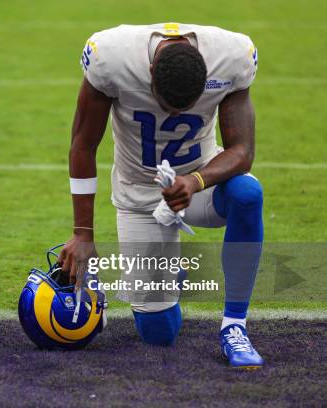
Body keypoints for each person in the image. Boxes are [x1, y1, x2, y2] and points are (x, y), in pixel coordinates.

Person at [59, 23, 264, 368]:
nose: (174, 115)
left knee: (247, 192)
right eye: (167, 104)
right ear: (151, 72)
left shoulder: (231, 56)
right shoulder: (112, 57)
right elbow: (83, 145)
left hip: (199, 184)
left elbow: (242, 152)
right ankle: (172, 274)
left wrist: (196, 180)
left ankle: (234, 326)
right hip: (139, 195)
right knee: (159, 333)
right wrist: (83, 233)